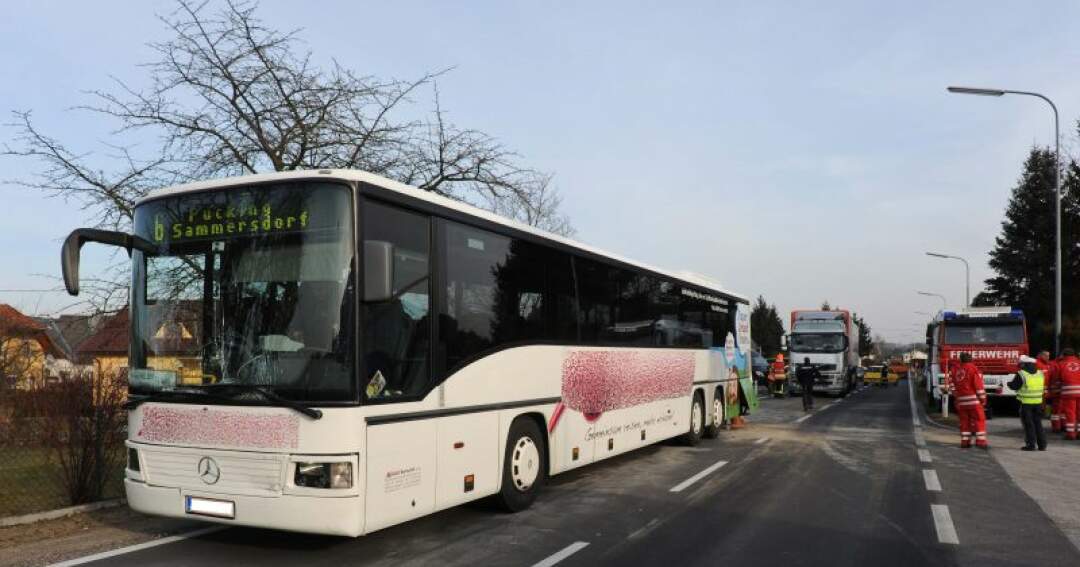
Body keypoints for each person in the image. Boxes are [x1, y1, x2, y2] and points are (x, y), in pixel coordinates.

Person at [948, 352, 988, 448]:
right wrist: (983, 399)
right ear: (971, 359)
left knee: (964, 422)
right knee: (979, 420)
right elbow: (978, 386)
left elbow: (952, 386)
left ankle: (965, 442)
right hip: (974, 401)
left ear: (960, 360)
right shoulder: (974, 369)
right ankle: (980, 442)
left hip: (961, 401)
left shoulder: (955, 370)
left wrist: (957, 397)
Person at [1009, 355, 1047, 451]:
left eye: (1020, 364)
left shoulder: (1021, 374)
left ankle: (1031, 445)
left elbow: (1014, 386)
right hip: (1038, 403)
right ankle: (1042, 445)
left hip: (1026, 404)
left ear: (1024, 364)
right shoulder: (1040, 373)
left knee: (1028, 424)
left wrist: (1008, 384)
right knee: (1038, 423)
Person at [1056, 348, 1080, 440]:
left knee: (1070, 413)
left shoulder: (1061, 364)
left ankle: (1070, 434)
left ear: (1064, 355)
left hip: (1068, 392)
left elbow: (1057, 380)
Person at [1037, 350, 1063, 432]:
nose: (1048, 357)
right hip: (1041, 390)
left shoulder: (1049, 364)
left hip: (1048, 390)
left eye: (1049, 356)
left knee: (1050, 406)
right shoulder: (1038, 364)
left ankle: (1055, 424)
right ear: (1041, 355)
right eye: (1046, 356)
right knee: (1042, 408)